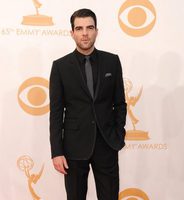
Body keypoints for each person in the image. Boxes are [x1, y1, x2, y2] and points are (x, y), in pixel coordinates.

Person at [49, 8, 127, 200]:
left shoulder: (112, 61)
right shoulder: (60, 67)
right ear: (72, 33)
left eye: (89, 27)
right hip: (73, 148)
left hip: (107, 144)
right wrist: (56, 151)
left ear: (96, 31)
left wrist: (118, 134)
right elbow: (57, 112)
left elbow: (120, 103)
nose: (85, 33)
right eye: (79, 28)